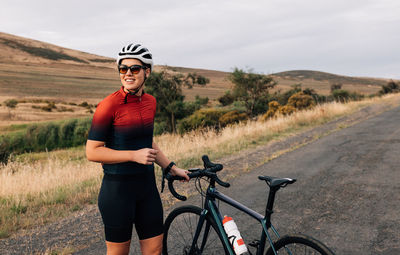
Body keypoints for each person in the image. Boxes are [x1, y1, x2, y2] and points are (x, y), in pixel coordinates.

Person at [86, 43, 189, 255]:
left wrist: (171, 167)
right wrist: (133, 155)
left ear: (147, 71)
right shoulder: (109, 105)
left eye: (134, 69)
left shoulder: (150, 102)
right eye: (123, 69)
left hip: (147, 189)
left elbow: (147, 142)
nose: (128, 74)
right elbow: (93, 151)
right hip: (117, 192)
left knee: (154, 251)